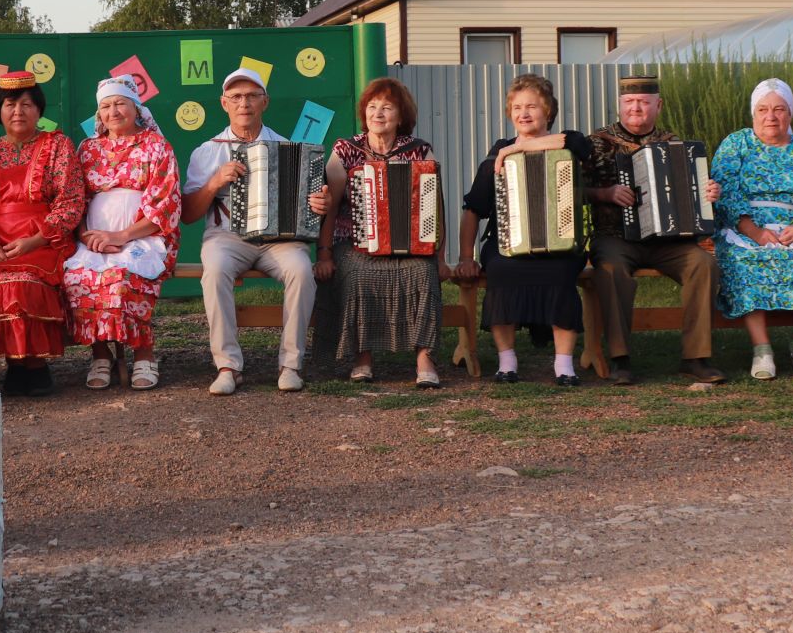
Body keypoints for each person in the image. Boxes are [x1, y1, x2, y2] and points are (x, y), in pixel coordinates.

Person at [183, 67, 316, 395]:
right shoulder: (207, 150)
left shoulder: (288, 147)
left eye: (252, 96)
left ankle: (291, 364)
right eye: (237, 97)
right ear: (224, 103)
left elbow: (306, 209)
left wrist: (318, 202)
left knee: (301, 269)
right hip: (226, 237)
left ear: (265, 102)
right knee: (213, 271)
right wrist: (214, 182)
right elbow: (187, 214)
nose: (244, 103)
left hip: (278, 240)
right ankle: (228, 366)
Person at [585, 74, 725, 384]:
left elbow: (694, 190)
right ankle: (620, 358)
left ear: (657, 105)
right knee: (610, 269)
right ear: (619, 105)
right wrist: (604, 194)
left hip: (667, 240)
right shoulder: (597, 142)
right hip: (615, 237)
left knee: (703, 264)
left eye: (644, 102)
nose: (636, 108)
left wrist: (708, 193)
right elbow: (573, 190)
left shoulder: (673, 143)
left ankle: (696, 357)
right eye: (629, 102)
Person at [455, 74, 593, 387]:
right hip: (507, 240)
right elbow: (474, 209)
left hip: (561, 241)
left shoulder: (568, 145)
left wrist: (513, 151)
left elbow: (577, 143)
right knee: (502, 270)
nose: (524, 113)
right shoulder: (496, 155)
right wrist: (466, 255)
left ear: (548, 111)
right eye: (517, 108)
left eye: (532, 106)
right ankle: (507, 361)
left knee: (560, 272)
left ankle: (564, 364)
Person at [0, 70, 84, 397]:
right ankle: (14, 364)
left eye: (27, 105)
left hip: (42, 237)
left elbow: (70, 200)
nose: (18, 112)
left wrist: (37, 238)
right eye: (10, 105)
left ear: (39, 110)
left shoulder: (58, 145)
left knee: (24, 282)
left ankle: (33, 365)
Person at [310, 77, 445, 387]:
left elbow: (434, 209)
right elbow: (330, 205)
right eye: (372, 107)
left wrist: (439, 255)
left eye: (387, 107)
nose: (378, 113)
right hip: (353, 243)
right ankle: (362, 357)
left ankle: (424, 356)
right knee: (357, 274)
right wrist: (325, 252)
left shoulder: (420, 151)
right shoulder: (346, 150)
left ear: (401, 115)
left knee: (424, 272)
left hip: (410, 245)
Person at [62, 76, 181, 390]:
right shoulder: (87, 149)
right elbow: (77, 198)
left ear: (135, 108)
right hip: (94, 239)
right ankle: (100, 354)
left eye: (120, 103)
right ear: (98, 114)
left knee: (122, 278)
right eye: (105, 106)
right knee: (76, 279)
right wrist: (86, 234)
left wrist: (122, 236)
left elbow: (166, 205)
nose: (113, 111)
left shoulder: (157, 146)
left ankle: (145, 354)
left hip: (144, 237)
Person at [711, 78, 793, 379]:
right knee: (745, 262)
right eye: (763, 109)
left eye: (779, 109)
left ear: (790, 114)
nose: (771, 116)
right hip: (746, 226)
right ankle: (761, 349)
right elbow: (725, 190)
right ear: (753, 113)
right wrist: (753, 231)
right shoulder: (736, 144)